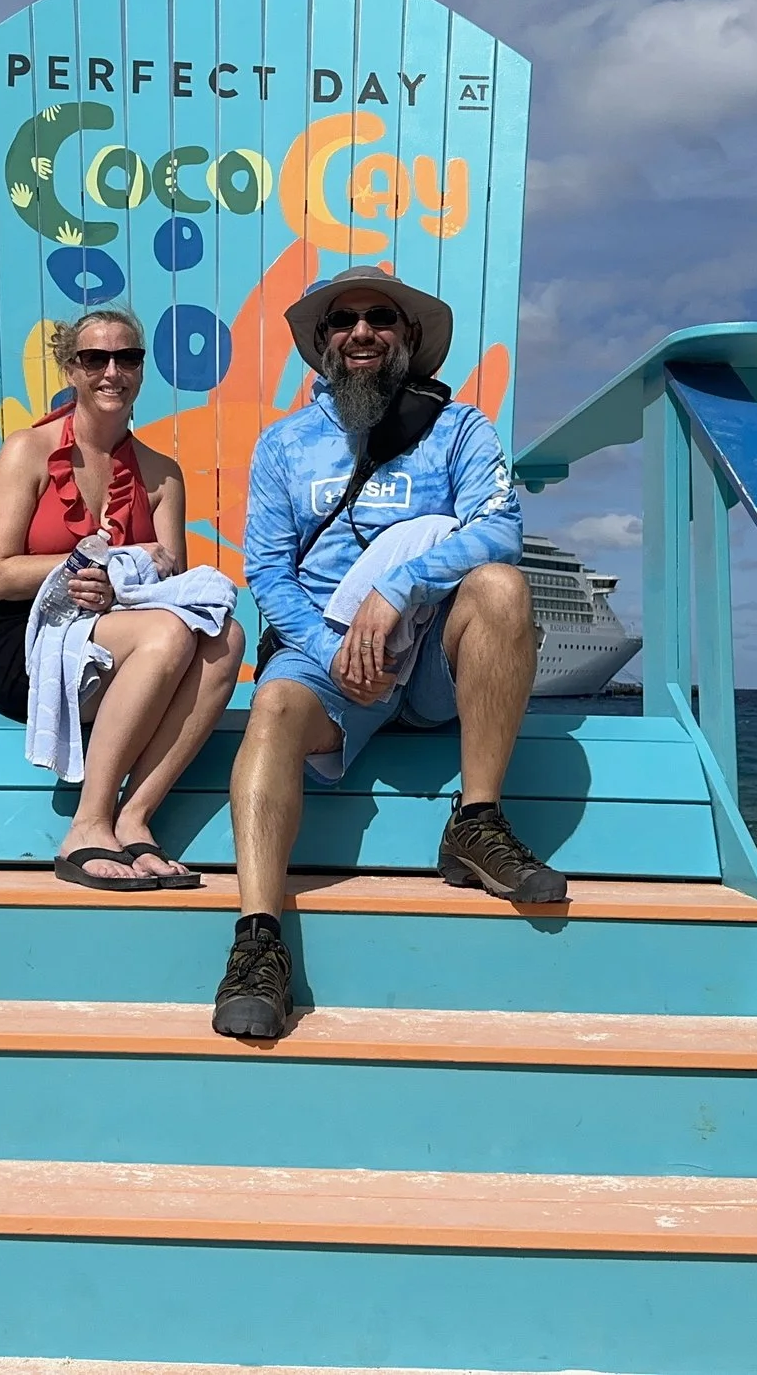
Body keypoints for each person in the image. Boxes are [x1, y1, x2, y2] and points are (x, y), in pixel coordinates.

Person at [211, 265, 561, 1038]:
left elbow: (500, 528)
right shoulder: (285, 444)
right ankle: (258, 942)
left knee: (502, 587)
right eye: (344, 320)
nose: (361, 331)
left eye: (380, 318)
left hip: (431, 649)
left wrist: (399, 587)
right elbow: (266, 569)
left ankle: (475, 821)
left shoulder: (459, 428)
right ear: (323, 341)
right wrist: (328, 647)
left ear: (408, 337)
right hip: (327, 659)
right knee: (273, 702)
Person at [0, 306, 246, 890]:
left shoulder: (162, 474)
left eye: (126, 357)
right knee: (168, 632)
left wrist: (119, 583)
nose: (111, 371)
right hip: (29, 644)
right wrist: (88, 567)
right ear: (71, 369)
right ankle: (87, 825)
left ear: (141, 370)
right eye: (94, 358)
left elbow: (169, 586)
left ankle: (134, 817)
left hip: (119, 639)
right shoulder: (27, 451)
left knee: (226, 637)